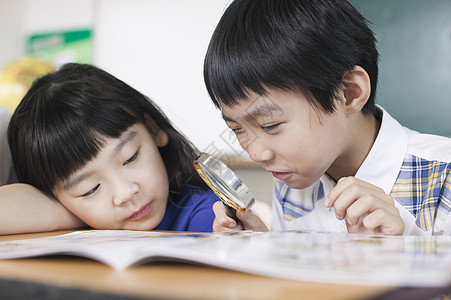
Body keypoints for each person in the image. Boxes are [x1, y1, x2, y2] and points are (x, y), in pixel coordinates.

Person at [203, 0, 451, 235]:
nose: (256, 154)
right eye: (236, 128)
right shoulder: (291, 182)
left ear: (349, 93)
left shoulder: (444, 180)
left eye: (270, 125)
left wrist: (405, 248)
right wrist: (267, 246)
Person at [0, 63, 219, 235]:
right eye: (90, 189)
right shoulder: (78, 217)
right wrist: (72, 214)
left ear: (152, 130)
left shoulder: (208, 217)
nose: (125, 193)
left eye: (130, 158)